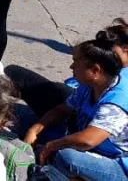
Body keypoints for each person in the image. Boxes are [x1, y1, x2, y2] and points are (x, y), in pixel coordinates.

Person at [25, 31, 128, 181]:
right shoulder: (90, 85)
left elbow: (88, 140)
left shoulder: (116, 101)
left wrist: (52, 146)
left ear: (95, 71)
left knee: (67, 157)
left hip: (118, 165)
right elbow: (62, 109)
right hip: (94, 148)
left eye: (76, 62)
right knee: (42, 134)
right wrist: (34, 130)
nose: (71, 66)